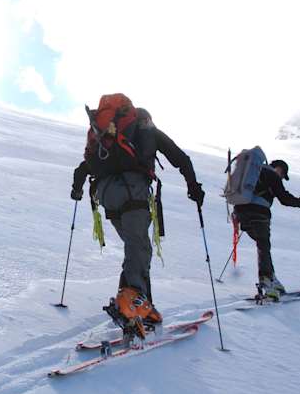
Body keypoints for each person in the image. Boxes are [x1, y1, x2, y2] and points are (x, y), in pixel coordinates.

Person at [71, 95, 204, 338]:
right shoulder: (146, 129)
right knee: (139, 246)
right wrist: (193, 187)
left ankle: (143, 306)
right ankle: (131, 305)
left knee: (137, 248)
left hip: (106, 195)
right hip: (132, 189)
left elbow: (82, 168)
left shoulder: (106, 137)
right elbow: (180, 158)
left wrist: (77, 189)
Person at [232, 159, 300, 300]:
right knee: (263, 245)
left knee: (263, 245)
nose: (281, 177)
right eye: (283, 174)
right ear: (279, 169)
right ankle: (266, 281)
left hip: (240, 213)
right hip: (259, 214)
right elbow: (284, 198)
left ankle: (272, 279)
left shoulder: (254, 173)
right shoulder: (272, 175)